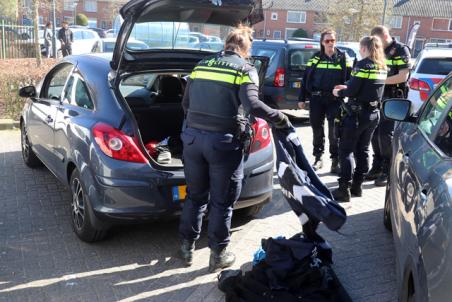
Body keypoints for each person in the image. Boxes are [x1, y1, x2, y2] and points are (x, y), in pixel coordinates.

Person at [179, 25, 291, 272]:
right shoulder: (245, 69)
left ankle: (186, 248)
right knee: (221, 201)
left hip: (193, 141)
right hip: (224, 144)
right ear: (245, 48)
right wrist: (279, 117)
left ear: (226, 44)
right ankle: (218, 255)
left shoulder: (201, 65)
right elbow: (252, 105)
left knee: (195, 196)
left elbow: (185, 103)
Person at [331, 36, 388, 202]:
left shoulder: (362, 64)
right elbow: (365, 85)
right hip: (373, 114)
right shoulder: (382, 66)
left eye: (360, 48)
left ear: (364, 48)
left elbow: (353, 91)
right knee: (363, 150)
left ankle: (344, 189)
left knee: (346, 150)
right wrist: (348, 85)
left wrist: (339, 92)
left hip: (357, 115)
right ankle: (357, 186)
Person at [298, 29, 353, 173]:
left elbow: (350, 79)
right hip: (316, 99)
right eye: (327, 41)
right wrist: (301, 98)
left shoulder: (343, 57)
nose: (330, 43)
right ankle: (318, 158)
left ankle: (335, 160)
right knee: (317, 129)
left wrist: (348, 93)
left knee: (334, 131)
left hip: (335, 100)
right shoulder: (315, 58)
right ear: (322, 43)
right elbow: (305, 79)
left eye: (332, 40)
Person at [367, 26, 411, 186]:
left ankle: (387, 168)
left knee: (385, 135)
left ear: (385, 36)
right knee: (374, 132)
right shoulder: (377, 49)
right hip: (377, 96)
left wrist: (379, 81)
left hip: (393, 97)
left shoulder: (400, 50)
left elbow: (403, 76)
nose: (376, 44)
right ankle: (377, 165)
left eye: (378, 40)